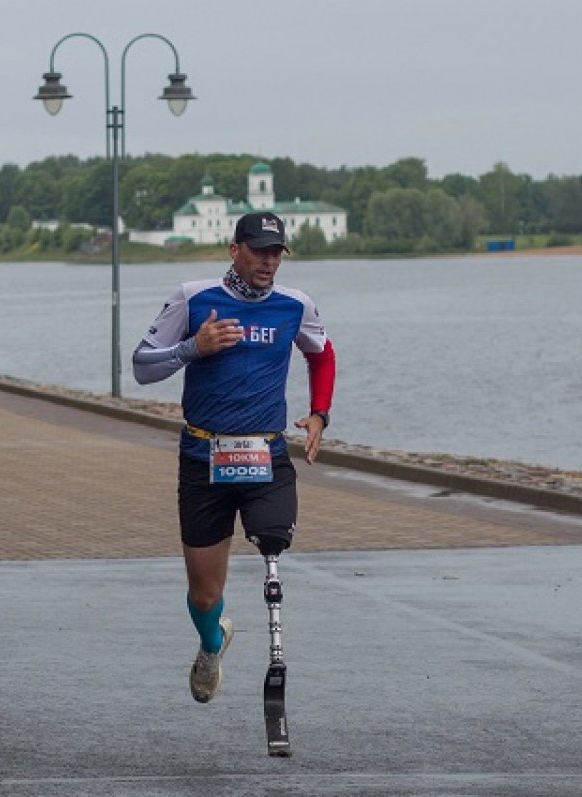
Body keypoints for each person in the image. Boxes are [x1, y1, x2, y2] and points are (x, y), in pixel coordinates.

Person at [132, 210, 336, 703]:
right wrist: (192, 348)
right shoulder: (193, 297)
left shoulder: (295, 304)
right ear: (234, 250)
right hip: (203, 455)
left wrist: (319, 415)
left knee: (272, 540)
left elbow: (322, 353)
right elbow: (141, 366)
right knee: (204, 594)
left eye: (276, 253)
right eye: (259, 250)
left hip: (265, 455)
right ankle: (211, 641)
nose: (269, 261)